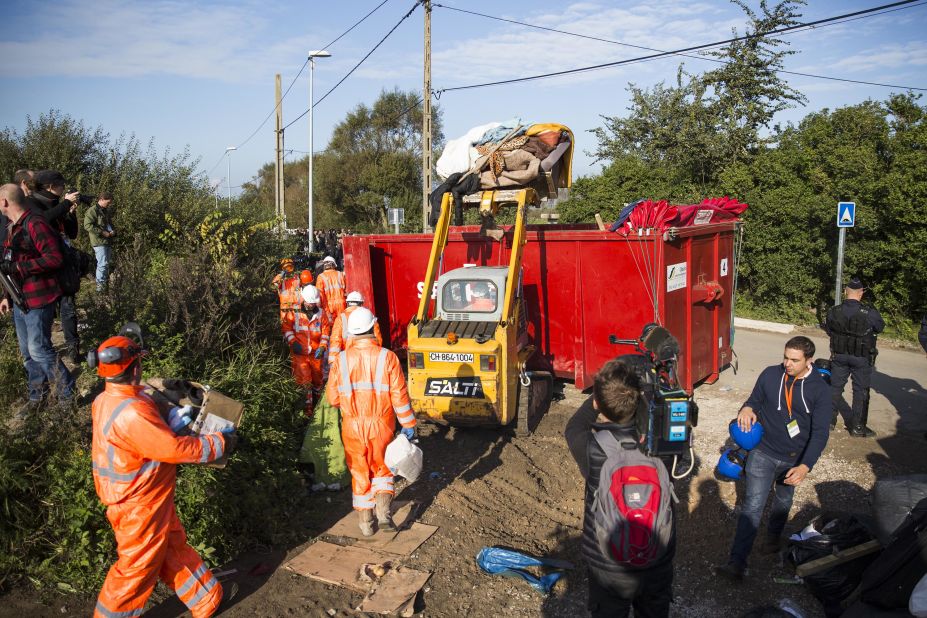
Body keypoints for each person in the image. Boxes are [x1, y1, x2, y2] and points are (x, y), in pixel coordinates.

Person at [89, 331, 237, 618]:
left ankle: (207, 598)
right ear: (135, 367)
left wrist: (166, 390)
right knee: (136, 569)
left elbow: (141, 393)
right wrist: (220, 443)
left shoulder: (108, 399)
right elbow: (174, 449)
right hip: (138, 503)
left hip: (146, 497)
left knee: (171, 547)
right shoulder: (132, 413)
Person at [564, 359, 675, 618]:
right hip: (656, 561)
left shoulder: (591, 447)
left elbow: (575, 425)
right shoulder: (664, 447)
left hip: (608, 565)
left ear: (597, 402)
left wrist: (601, 394)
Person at [716, 336, 831, 582]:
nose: (787, 364)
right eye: (785, 357)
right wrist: (746, 409)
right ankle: (737, 562)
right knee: (752, 506)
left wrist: (805, 466)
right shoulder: (770, 374)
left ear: (808, 360)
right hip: (763, 452)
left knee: (782, 501)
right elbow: (754, 400)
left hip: (793, 459)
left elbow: (821, 433)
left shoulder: (819, 389)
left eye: (794, 360)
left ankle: (772, 539)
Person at [327, 307, 416, 537]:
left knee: (359, 472)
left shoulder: (341, 360)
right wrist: (408, 424)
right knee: (383, 469)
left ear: (352, 332)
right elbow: (399, 396)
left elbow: (333, 398)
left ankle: (366, 525)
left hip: (352, 426)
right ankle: (384, 514)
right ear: (371, 327)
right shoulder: (388, 357)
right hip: (382, 425)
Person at [0, 184, 75, 424]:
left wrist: (20, 268)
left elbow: (54, 258)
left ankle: (67, 396)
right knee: (27, 355)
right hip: (20, 298)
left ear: (4, 203)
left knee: (40, 350)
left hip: (39, 297)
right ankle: (37, 397)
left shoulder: (35, 223)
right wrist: (6, 295)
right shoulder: (13, 228)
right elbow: (9, 263)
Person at [31, 170, 81, 362]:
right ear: (51, 186)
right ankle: (45, 351)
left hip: (64, 264)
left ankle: (73, 349)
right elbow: (41, 221)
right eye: (61, 185)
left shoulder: (57, 205)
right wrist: (65, 204)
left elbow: (72, 233)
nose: (64, 189)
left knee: (68, 308)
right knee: (46, 310)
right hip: (45, 266)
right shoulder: (34, 203)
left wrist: (70, 213)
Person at [825, 277, 885, 437]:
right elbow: (879, 327)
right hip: (861, 358)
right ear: (861, 293)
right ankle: (857, 427)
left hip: (839, 355)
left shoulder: (834, 311)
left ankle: (828, 422)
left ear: (845, 292)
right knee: (861, 390)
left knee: (835, 387)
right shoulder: (870, 313)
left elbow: (829, 330)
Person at [283, 285, 331, 416]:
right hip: (300, 354)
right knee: (304, 381)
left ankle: (317, 404)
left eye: (313, 302)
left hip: (316, 354)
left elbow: (326, 332)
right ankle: (306, 410)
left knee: (317, 380)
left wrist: (322, 346)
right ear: (303, 299)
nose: (311, 304)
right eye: (309, 302)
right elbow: (286, 327)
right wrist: (293, 342)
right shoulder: (293, 312)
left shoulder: (321, 314)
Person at [328, 290, 382, 358]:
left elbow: (335, 341)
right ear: (361, 303)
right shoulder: (369, 316)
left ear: (347, 303)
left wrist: (333, 362)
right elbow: (377, 339)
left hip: (348, 358)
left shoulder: (341, 318)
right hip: (368, 355)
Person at [84, 192, 116, 290]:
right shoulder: (92, 210)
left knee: (106, 264)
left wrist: (113, 230)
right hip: (98, 241)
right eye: (108, 202)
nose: (109, 204)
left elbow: (108, 224)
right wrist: (102, 232)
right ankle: (100, 289)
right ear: (101, 199)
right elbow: (87, 225)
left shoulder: (105, 211)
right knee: (102, 264)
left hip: (107, 241)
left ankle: (104, 286)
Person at [315, 255, 346, 320]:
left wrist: (325, 311)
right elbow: (346, 289)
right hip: (342, 305)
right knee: (342, 324)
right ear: (334, 264)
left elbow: (320, 296)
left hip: (329, 307)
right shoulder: (340, 274)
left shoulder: (321, 277)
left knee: (331, 327)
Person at [272, 258, 301, 326]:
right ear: (282, 268)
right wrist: (281, 277)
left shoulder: (297, 277)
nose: (288, 269)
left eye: (290, 266)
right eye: (286, 267)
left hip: (296, 307)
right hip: (285, 308)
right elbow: (273, 287)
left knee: (297, 328)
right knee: (285, 328)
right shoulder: (280, 277)